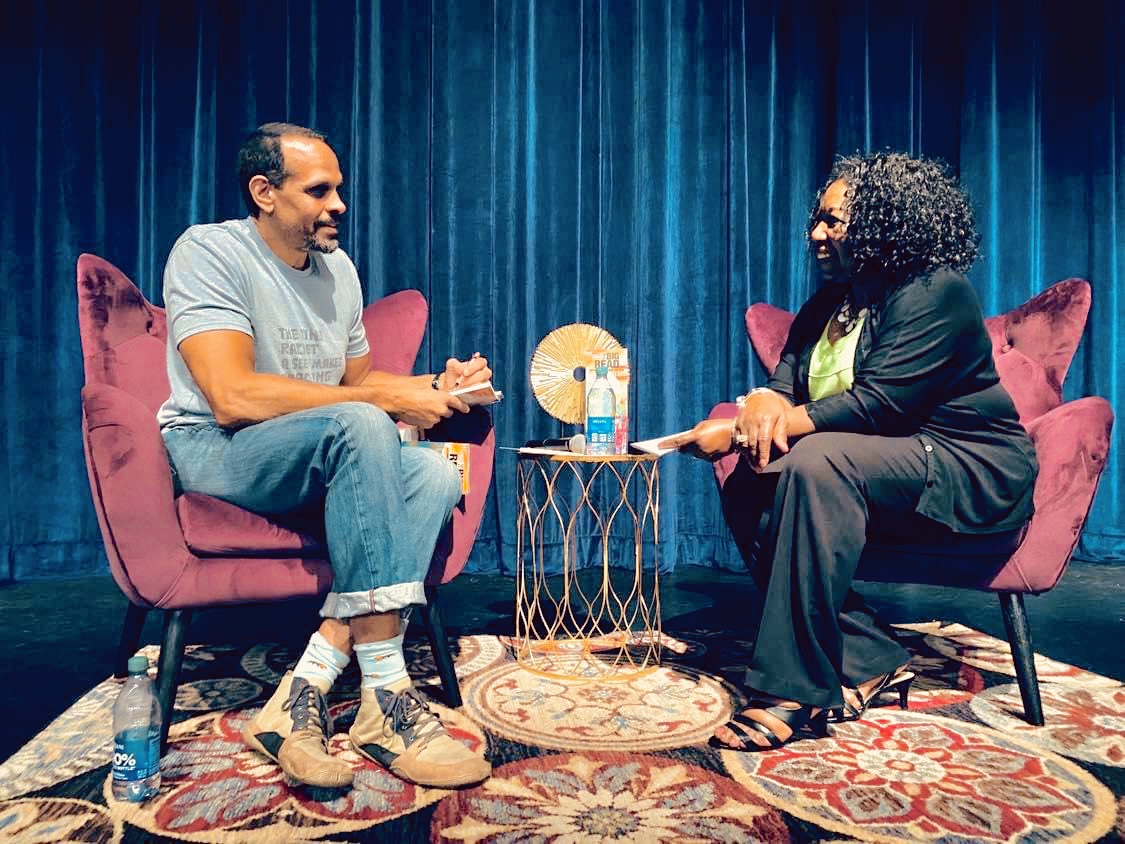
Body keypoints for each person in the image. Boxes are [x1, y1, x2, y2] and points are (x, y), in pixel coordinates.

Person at [662, 151, 1038, 752]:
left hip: (966, 463)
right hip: (878, 465)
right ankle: (871, 656)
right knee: (751, 477)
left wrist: (740, 428)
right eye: (818, 218)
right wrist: (756, 407)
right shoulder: (825, 307)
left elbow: (880, 405)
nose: (816, 232)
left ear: (887, 221)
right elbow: (783, 386)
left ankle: (796, 691)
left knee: (817, 460)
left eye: (835, 221)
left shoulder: (936, 293)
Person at [157, 122, 492, 788]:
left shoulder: (338, 269)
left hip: (308, 444)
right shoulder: (209, 252)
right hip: (216, 447)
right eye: (318, 189)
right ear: (264, 193)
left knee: (427, 469)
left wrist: (435, 388)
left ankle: (306, 689)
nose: (339, 203)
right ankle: (390, 696)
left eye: (338, 187)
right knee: (363, 425)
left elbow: (357, 385)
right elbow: (230, 394)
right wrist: (382, 404)